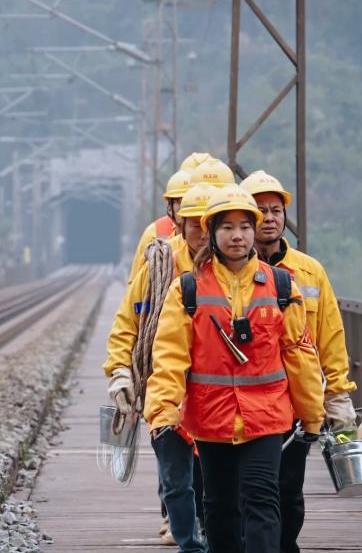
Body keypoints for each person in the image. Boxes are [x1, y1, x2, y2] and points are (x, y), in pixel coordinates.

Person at [145, 186, 325, 553]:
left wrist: (312, 415)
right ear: (211, 233)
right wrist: (163, 411)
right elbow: (170, 355)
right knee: (219, 504)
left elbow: (298, 353)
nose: (237, 235)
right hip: (211, 419)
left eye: (245, 226)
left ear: (254, 231)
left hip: (267, 417)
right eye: (227, 227)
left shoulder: (281, 286)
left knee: (262, 498)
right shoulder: (187, 290)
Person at [239, 170, 359, 552]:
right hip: (245, 402)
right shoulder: (228, 273)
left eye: (276, 210)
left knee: (288, 490)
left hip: (294, 404)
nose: (270, 218)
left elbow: (330, 337)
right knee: (247, 492)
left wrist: (337, 395)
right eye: (260, 211)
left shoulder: (310, 272)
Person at [105, 183, 217, 549]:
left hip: (216, 394)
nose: (203, 232)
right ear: (179, 223)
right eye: (194, 224)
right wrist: (120, 371)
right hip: (166, 387)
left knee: (213, 479)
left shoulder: (234, 271)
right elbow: (128, 322)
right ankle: (189, 543)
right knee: (176, 478)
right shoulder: (158, 265)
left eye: (209, 224)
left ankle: (210, 535)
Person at [127, 152, 214, 281]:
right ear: (170, 207)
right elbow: (137, 285)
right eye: (181, 200)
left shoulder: (231, 249)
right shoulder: (155, 233)